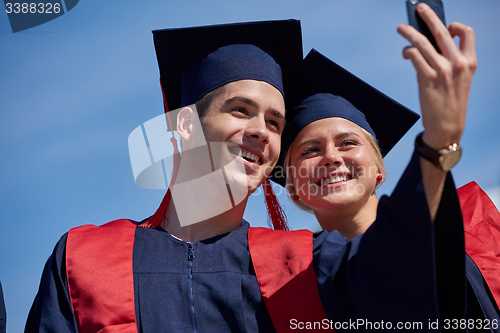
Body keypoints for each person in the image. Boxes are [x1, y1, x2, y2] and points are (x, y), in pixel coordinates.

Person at [25, 19, 305, 332]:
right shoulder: (84, 260)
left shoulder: (299, 268)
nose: (261, 131)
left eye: (274, 124)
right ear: (186, 125)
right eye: (240, 109)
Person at [273, 3, 498, 330]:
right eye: (310, 150)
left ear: (379, 171)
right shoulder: (290, 284)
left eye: (348, 142)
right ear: (293, 188)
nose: (331, 157)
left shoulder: (479, 226)